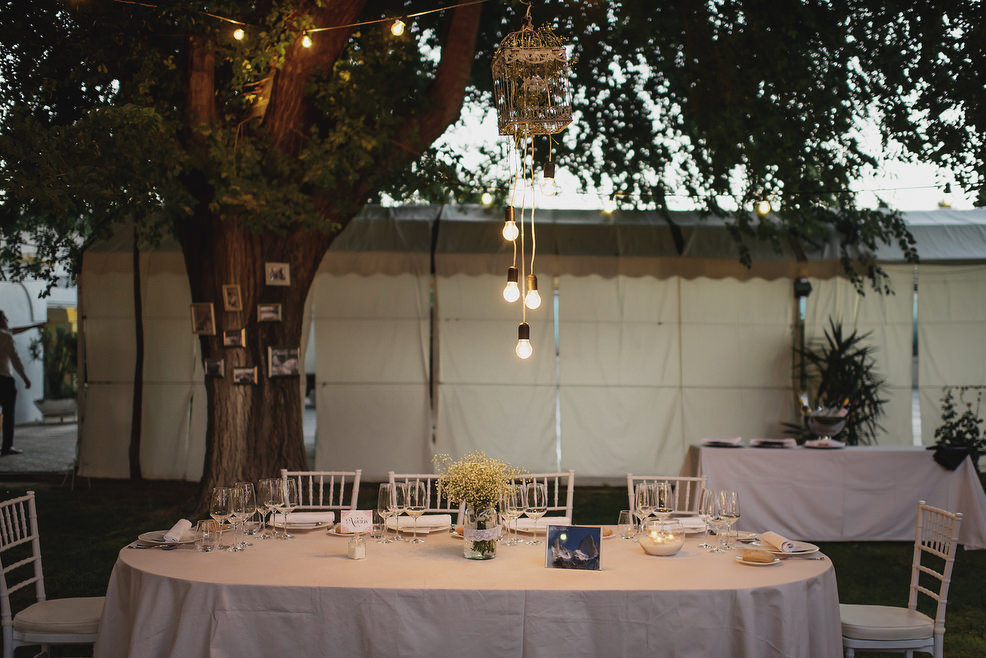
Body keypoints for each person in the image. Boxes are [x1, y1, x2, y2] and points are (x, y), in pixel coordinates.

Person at [0, 311, 40, 456]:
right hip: (4, 380)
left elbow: (15, 330)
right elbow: (15, 360)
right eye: (5, 318)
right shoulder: (5, 337)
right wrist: (25, 378)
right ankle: (7, 446)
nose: (8, 320)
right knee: (8, 415)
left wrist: (35, 325)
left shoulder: (7, 334)